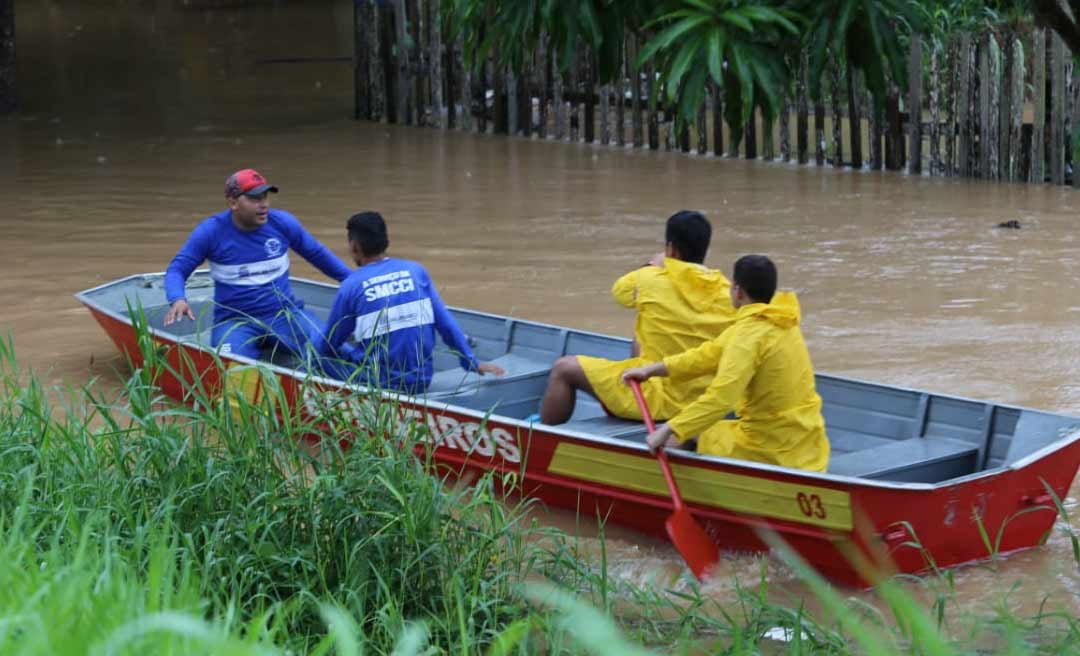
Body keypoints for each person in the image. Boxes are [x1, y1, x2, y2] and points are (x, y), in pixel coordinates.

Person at [622, 255, 830, 472]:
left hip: (770, 449)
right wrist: (651, 370)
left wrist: (668, 429)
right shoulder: (783, 320)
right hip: (808, 443)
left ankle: (667, 484)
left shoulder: (747, 336)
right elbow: (704, 356)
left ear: (738, 292)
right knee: (702, 427)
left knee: (689, 433)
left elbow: (720, 399)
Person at [538, 210, 736, 424]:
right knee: (643, 327)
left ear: (671, 249)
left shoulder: (648, 278)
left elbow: (620, 293)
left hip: (656, 399)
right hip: (704, 401)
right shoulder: (728, 290)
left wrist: (654, 265)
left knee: (563, 369)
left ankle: (539, 440)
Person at [163, 168, 353, 360]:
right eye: (254, 199)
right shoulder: (211, 232)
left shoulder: (283, 223)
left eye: (265, 197)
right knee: (230, 366)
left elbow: (318, 254)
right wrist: (178, 298)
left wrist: (354, 281)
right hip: (235, 321)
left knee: (336, 349)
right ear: (233, 203)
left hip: (285, 315)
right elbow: (177, 269)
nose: (264, 205)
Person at [316, 211, 505, 392]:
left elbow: (328, 343)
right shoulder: (416, 271)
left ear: (354, 246)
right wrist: (471, 362)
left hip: (378, 382)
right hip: (421, 380)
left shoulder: (352, 285)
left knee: (314, 352)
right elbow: (446, 324)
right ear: (385, 241)